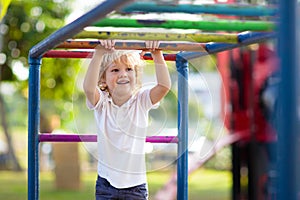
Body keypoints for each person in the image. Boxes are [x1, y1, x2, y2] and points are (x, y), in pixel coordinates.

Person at [83, 40, 171, 200]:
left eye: (129, 69)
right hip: (106, 184)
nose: (123, 74)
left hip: (135, 186)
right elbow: (89, 88)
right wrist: (99, 54)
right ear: (103, 79)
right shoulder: (102, 103)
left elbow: (164, 86)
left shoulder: (141, 100)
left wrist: (157, 54)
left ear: (136, 76)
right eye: (115, 70)